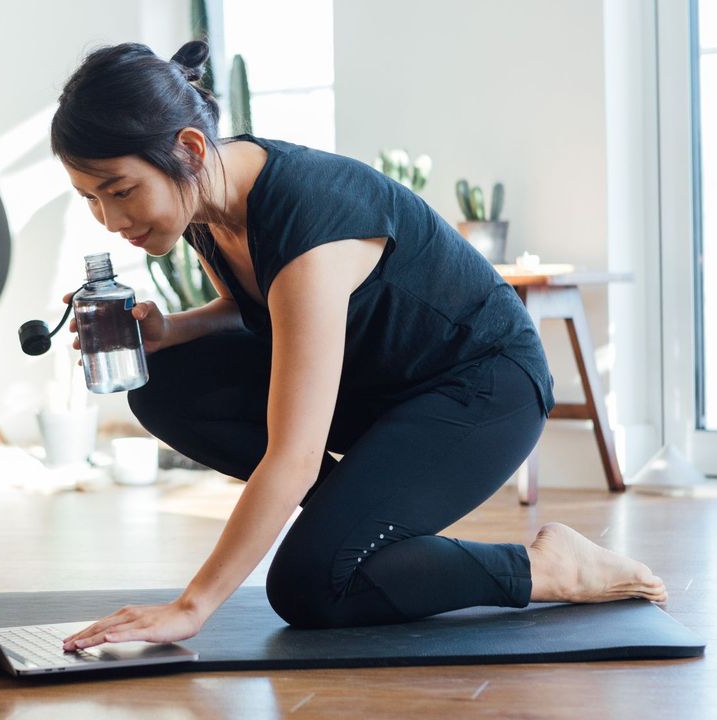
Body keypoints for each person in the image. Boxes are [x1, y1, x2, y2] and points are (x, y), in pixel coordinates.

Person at [51, 40, 667, 653]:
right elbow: (255, 308)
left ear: (186, 149)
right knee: (162, 379)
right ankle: (356, 522)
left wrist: (192, 608)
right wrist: (170, 331)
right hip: (379, 389)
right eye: (91, 198)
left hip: (483, 389)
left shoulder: (307, 217)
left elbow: (295, 453)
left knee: (311, 586)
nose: (109, 219)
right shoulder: (208, 202)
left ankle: (550, 567)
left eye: (121, 190)